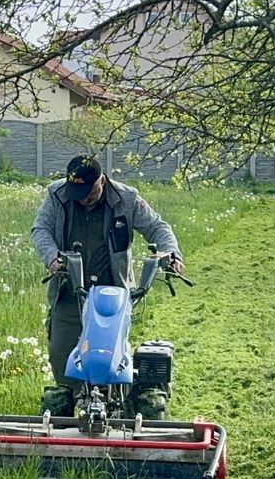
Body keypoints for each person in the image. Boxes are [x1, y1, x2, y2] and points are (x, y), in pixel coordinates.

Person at [31, 155, 184, 413]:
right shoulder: (57, 195)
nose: (81, 199)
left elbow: (157, 227)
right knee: (61, 352)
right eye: (76, 193)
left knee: (109, 351)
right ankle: (71, 408)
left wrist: (170, 254)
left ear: (101, 181)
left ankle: (117, 402)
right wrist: (52, 257)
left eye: (87, 193)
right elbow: (41, 230)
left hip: (113, 292)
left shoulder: (126, 198)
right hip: (70, 288)